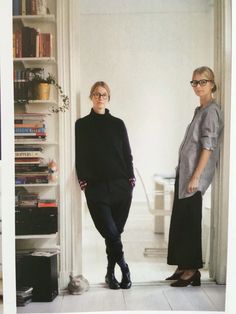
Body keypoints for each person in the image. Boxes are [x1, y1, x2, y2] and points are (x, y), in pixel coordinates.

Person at [166, 66, 224, 287]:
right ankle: (182, 267)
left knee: (190, 224)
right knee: (180, 222)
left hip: (193, 178)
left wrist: (195, 177)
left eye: (202, 82)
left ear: (212, 84)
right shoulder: (200, 110)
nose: (198, 86)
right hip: (185, 175)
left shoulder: (211, 111)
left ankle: (192, 271)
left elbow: (208, 147)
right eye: (194, 82)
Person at [75, 81, 135, 290]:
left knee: (114, 234)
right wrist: (83, 180)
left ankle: (110, 274)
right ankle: (124, 268)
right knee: (111, 233)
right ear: (91, 97)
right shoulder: (81, 125)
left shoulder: (118, 124)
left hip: (121, 188)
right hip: (96, 189)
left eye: (104, 95)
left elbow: (127, 154)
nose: (100, 98)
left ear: (108, 98)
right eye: (97, 94)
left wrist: (131, 180)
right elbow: (79, 155)